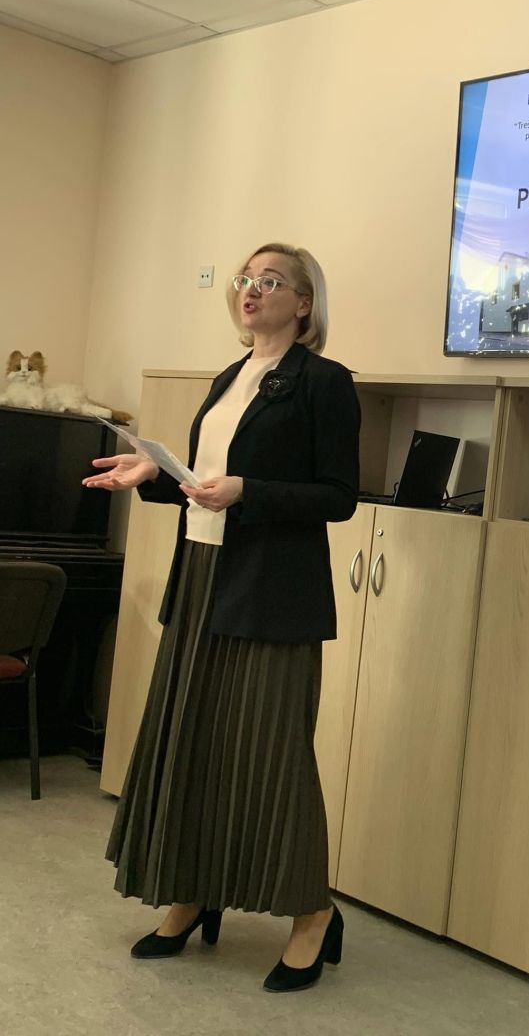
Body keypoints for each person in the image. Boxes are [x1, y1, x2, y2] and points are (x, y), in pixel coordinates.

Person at [83, 242, 360, 993]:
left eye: (271, 280)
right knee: (194, 740)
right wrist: (156, 475)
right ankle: (193, 892)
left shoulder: (324, 382)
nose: (251, 289)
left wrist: (250, 492)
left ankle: (313, 913)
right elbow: (205, 484)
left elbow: (339, 496)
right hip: (203, 577)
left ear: (303, 303)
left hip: (273, 589)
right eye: (246, 278)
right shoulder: (228, 378)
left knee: (273, 753)